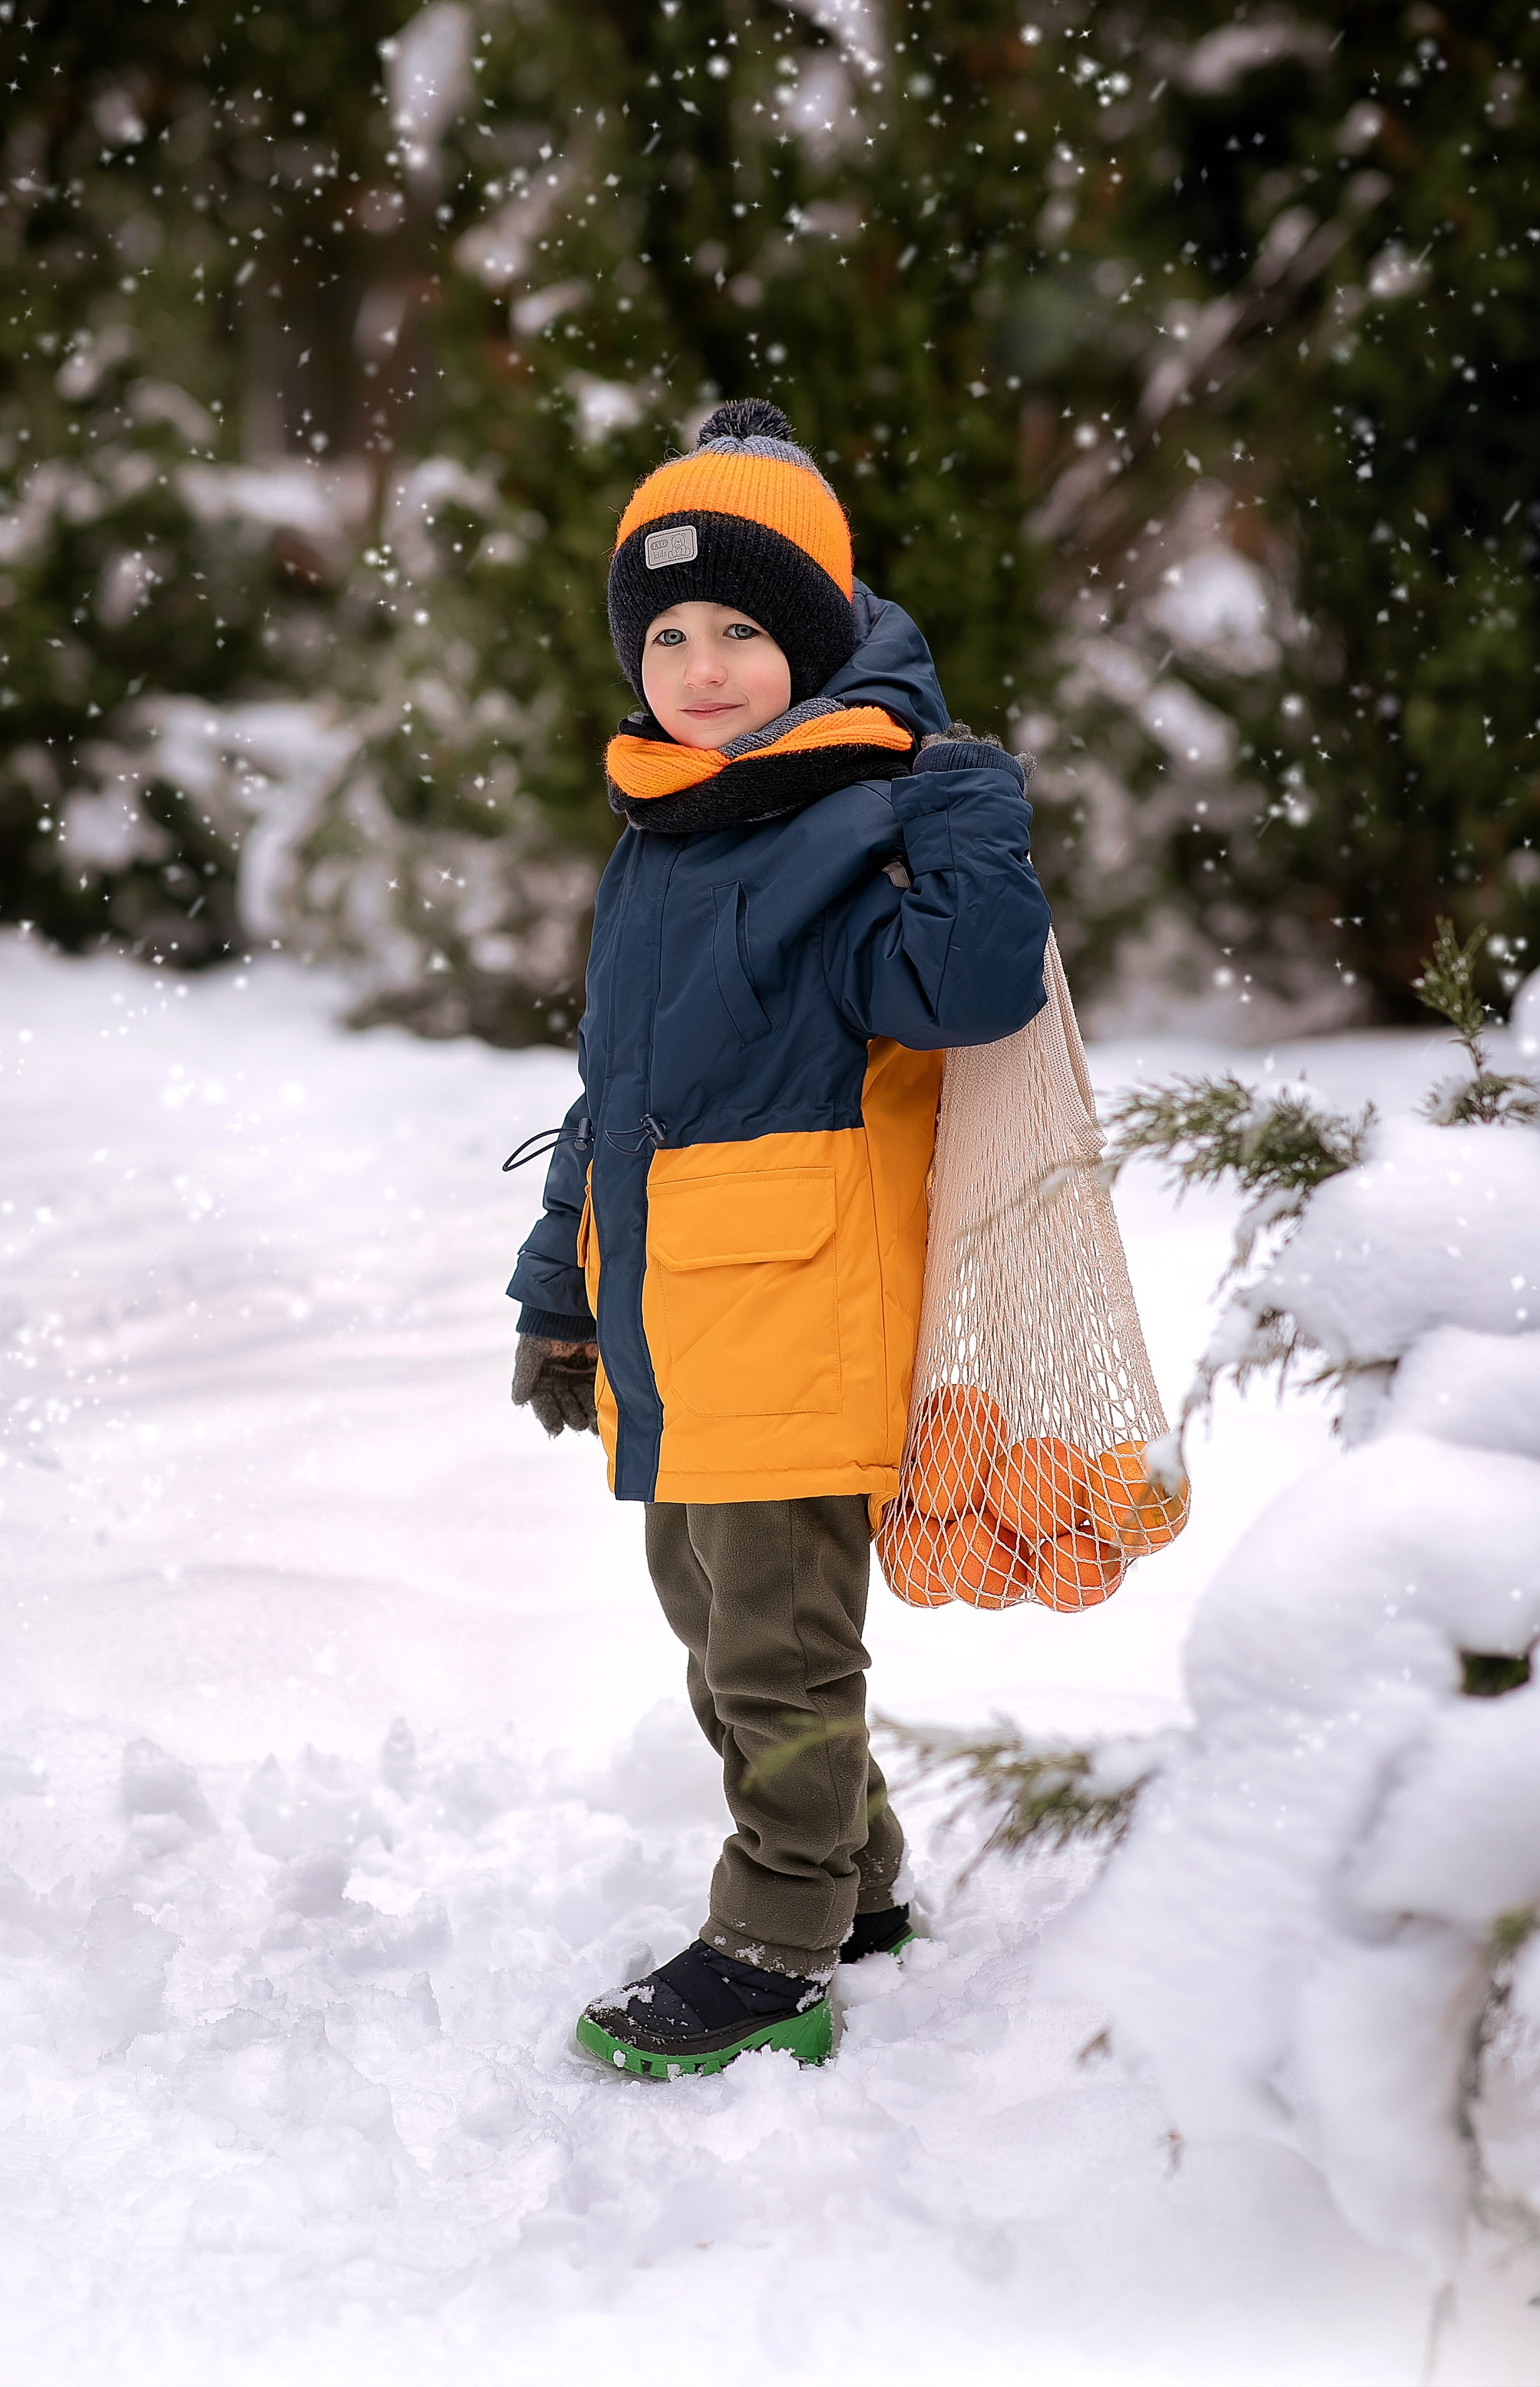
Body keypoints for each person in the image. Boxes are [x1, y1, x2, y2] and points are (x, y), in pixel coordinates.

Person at [507, 398, 1052, 2078]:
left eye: (744, 626)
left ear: (814, 639)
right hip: (677, 1310)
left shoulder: (858, 820)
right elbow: (615, 1091)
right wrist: (558, 1288)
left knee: (777, 1642)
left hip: (801, 1308)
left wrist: (967, 815)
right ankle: (864, 1884)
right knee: (709, 1611)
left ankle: (776, 1937)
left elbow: (968, 990)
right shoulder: (672, 824)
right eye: (668, 632)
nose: (703, 662)